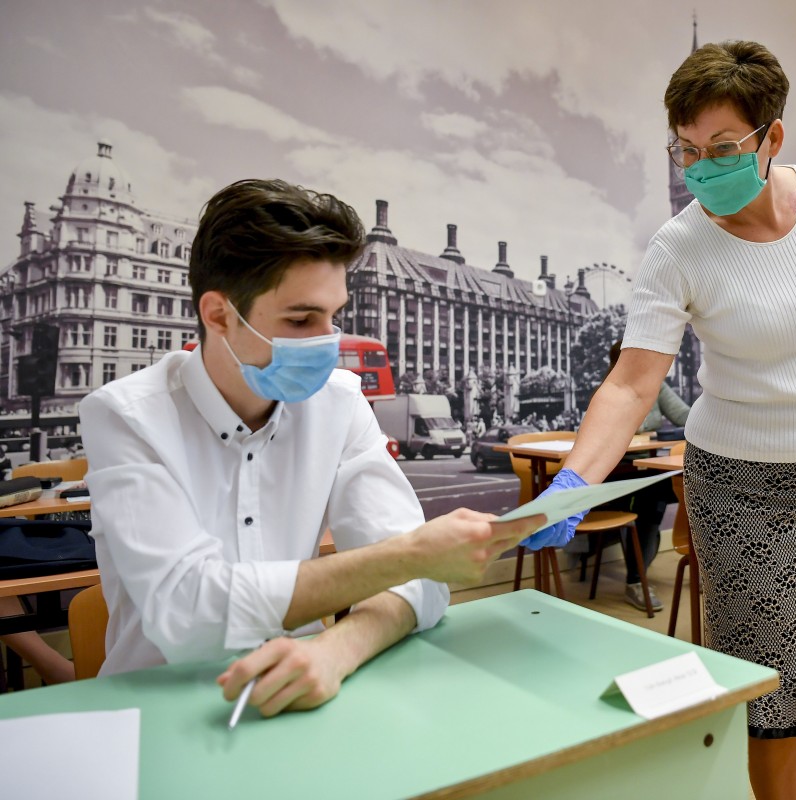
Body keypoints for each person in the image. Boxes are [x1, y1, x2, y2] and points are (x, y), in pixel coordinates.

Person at [521, 41, 796, 800]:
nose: (701, 167)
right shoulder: (678, 246)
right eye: (686, 149)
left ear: (773, 138)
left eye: (722, 147)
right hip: (740, 489)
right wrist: (576, 479)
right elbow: (630, 384)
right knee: (771, 682)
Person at [79, 179, 542, 717]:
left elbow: (423, 586)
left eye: (333, 315)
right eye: (301, 320)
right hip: (157, 710)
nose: (328, 341)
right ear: (219, 314)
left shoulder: (340, 401)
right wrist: (410, 556)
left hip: (305, 701)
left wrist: (335, 650)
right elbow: (188, 612)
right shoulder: (125, 415)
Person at [601, 340, 691, 611]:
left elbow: (686, 417)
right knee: (650, 498)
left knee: (685, 489)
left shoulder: (656, 386)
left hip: (646, 470)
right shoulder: (609, 390)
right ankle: (635, 581)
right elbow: (596, 434)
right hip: (615, 474)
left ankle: (704, 568)